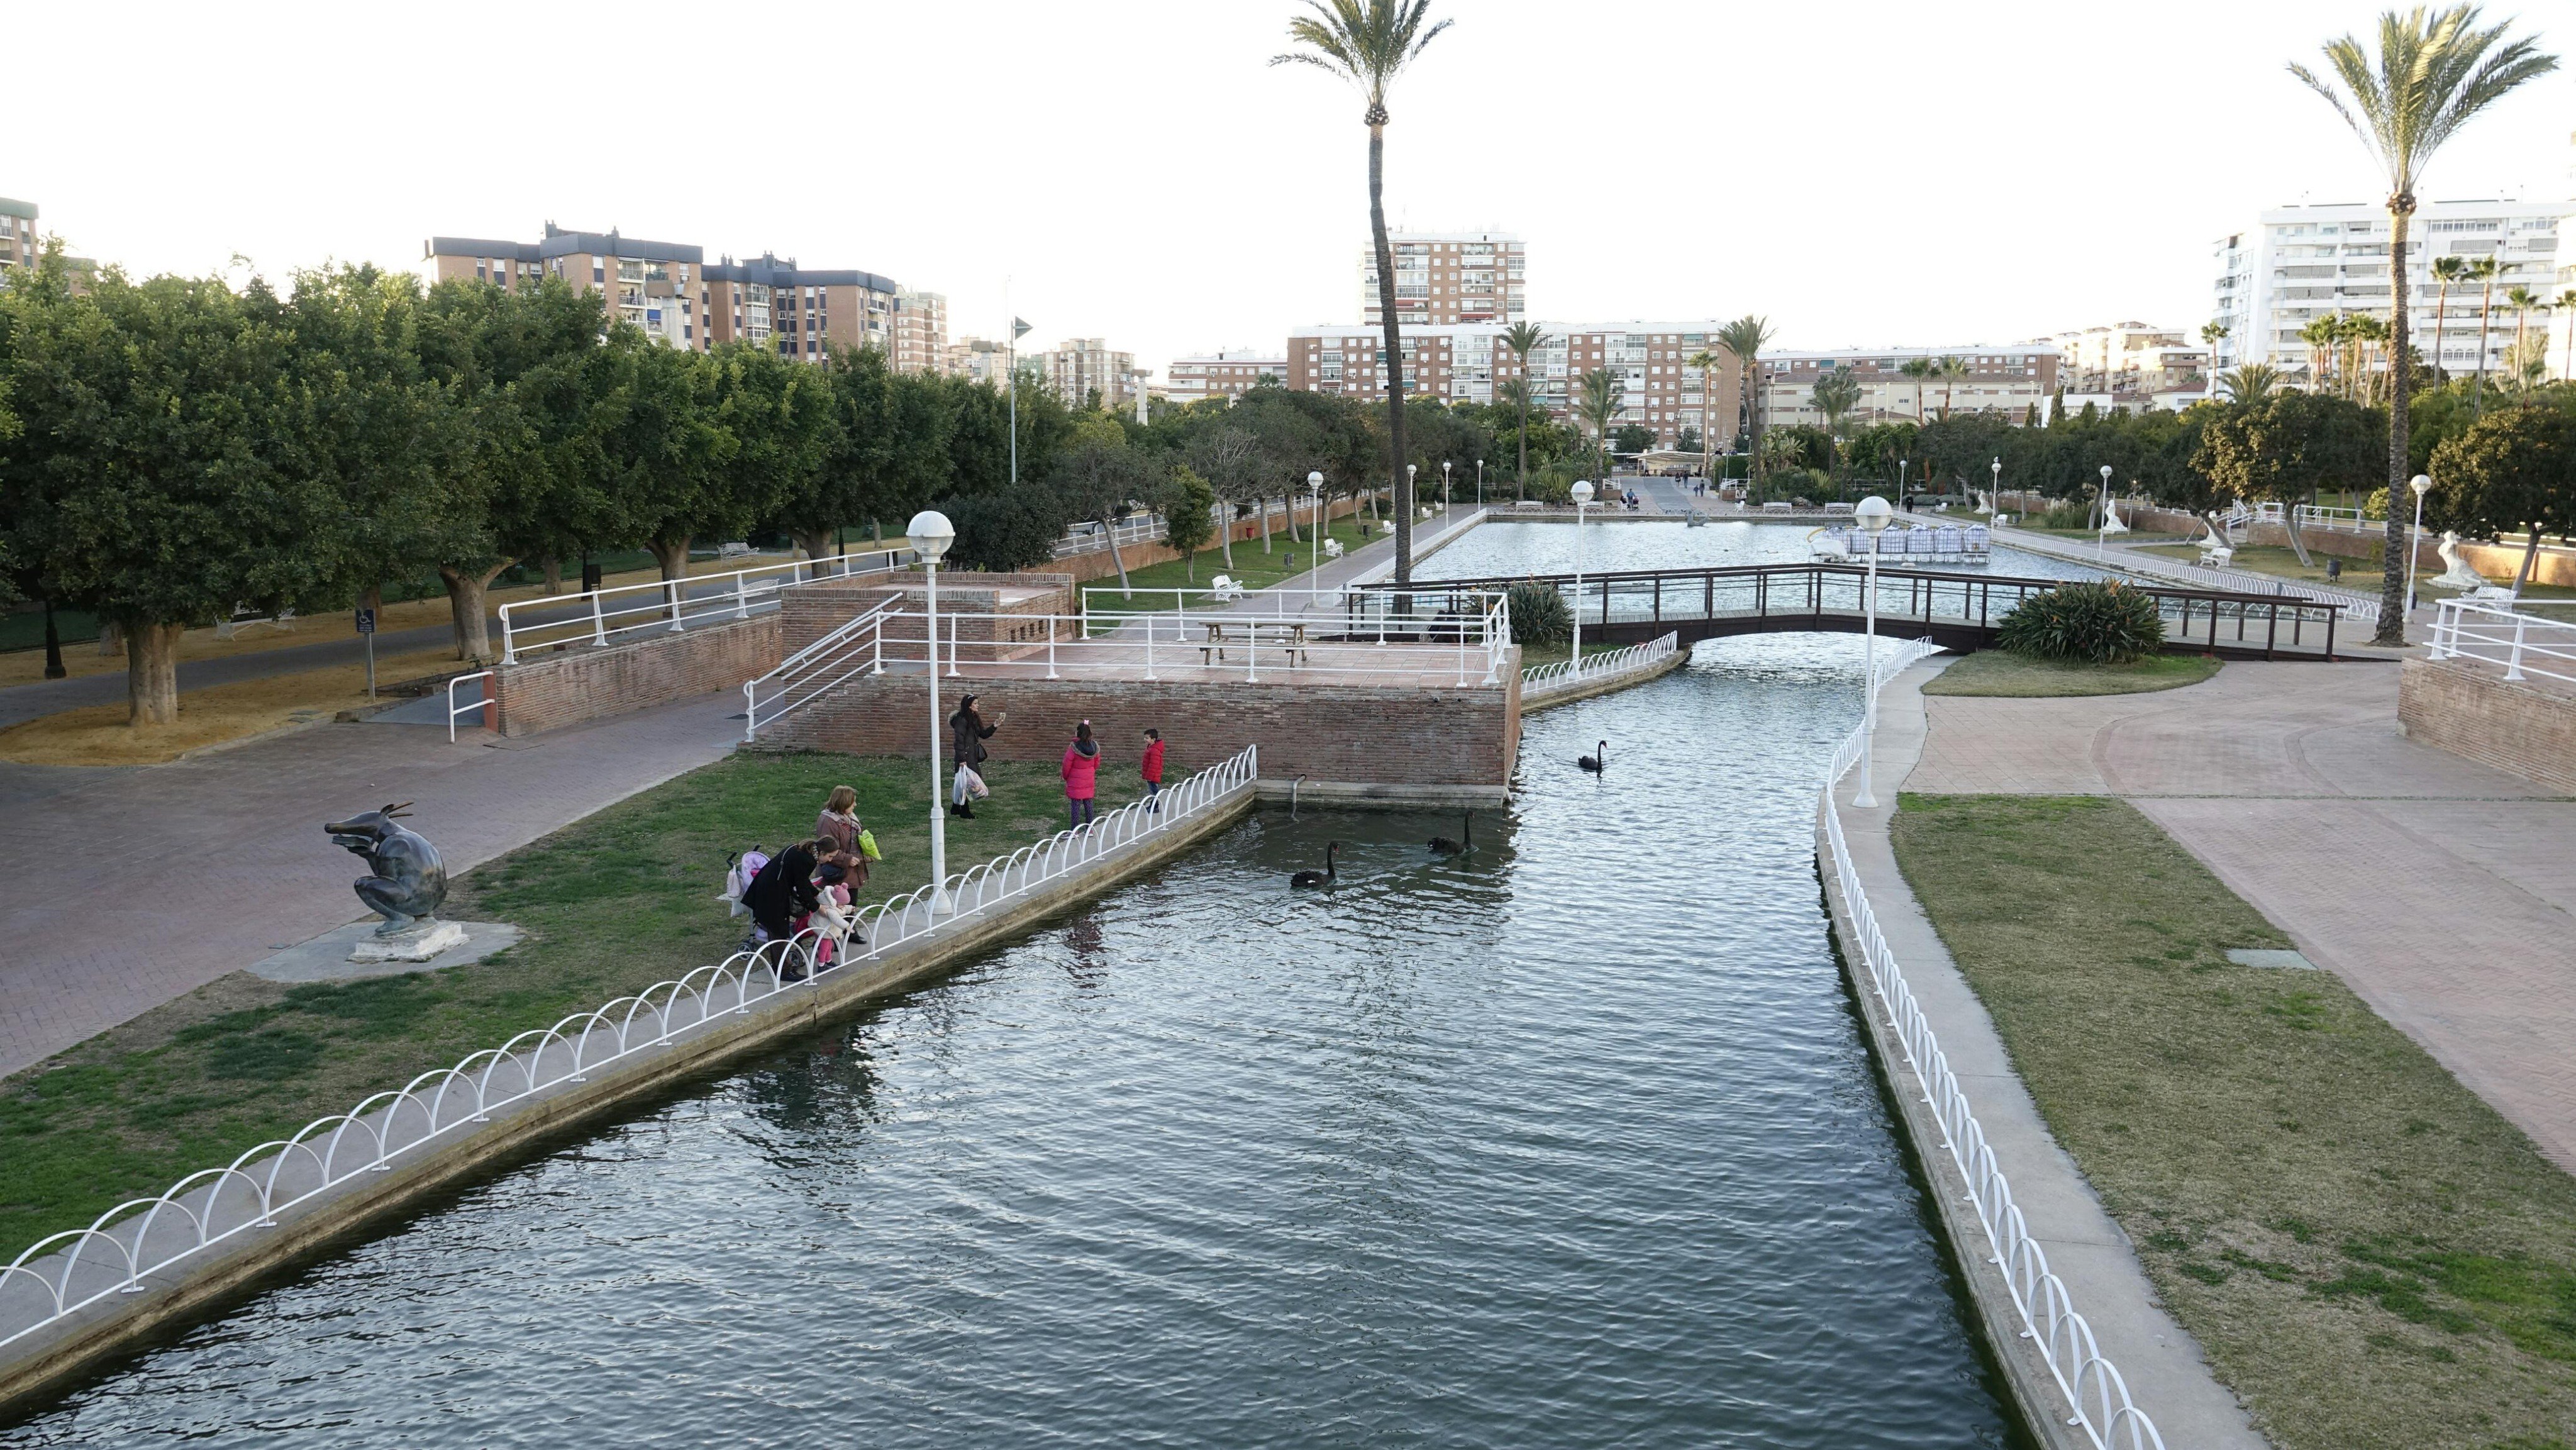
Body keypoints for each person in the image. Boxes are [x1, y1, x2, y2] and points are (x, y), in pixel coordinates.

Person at [741, 839, 826, 979]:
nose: (830, 860)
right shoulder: (808, 860)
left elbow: (802, 880)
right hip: (771, 894)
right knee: (778, 931)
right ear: (822, 853)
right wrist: (817, 907)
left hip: (770, 889)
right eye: (830, 856)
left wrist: (816, 894)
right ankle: (783, 971)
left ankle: (781, 967)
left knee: (778, 930)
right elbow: (802, 887)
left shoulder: (803, 851)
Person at [948, 694, 1004, 818]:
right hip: (964, 757)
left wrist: (995, 725)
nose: (978, 705)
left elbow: (983, 734)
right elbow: (959, 741)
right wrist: (962, 760)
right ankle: (964, 811)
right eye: (975, 703)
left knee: (963, 782)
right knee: (967, 783)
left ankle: (956, 808)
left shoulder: (973, 719)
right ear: (969, 706)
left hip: (971, 756)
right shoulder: (962, 721)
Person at [1062, 720, 1100, 830]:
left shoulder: (1073, 748)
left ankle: (1075, 830)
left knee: (1076, 806)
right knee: (1089, 804)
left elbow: (1066, 764)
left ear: (1078, 733)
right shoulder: (1094, 747)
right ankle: (1090, 828)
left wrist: (1066, 776)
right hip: (1089, 779)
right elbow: (1097, 763)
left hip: (1075, 781)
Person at [816, 786, 863, 858]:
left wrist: (864, 856)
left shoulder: (850, 817)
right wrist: (847, 860)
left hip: (853, 866)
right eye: (852, 802)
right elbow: (827, 849)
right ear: (844, 802)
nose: (855, 805)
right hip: (836, 868)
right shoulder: (828, 822)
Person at [1140, 728, 1165, 813]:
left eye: (1147, 738)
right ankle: (1153, 805)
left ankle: (1155, 807)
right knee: (1152, 792)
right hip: (1151, 775)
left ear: (1153, 740)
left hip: (1153, 776)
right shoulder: (1151, 748)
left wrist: (1150, 776)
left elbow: (1154, 765)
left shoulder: (1154, 750)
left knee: (1154, 792)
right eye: (1145, 738)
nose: (1145, 740)